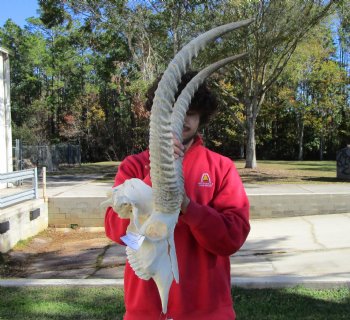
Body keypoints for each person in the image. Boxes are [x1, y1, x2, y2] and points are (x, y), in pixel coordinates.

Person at [105, 71, 250, 320]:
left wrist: (188, 208)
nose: (179, 120)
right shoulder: (134, 167)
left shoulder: (221, 167)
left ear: (201, 118)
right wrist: (157, 173)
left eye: (189, 113)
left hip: (207, 310)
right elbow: (119, 235)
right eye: (171, 111)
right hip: (146, 310)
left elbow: (231, 240)